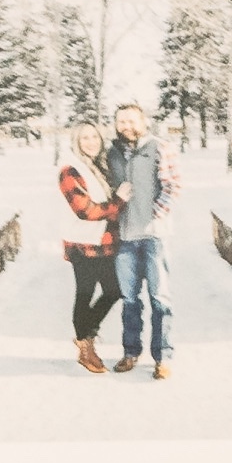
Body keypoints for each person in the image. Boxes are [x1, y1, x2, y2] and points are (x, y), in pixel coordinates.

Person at [104, 101, 180, 381]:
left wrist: (154, 216)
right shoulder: (111, 153)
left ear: (143, 121)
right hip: (124, 238)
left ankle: (163, 357)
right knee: (130, 300)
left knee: (160, 299)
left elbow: (173, 186)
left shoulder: (160, 147)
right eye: (121, 121)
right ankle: (131, 352)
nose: (127, 126)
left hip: (154, 237)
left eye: (132, 120)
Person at [54, 116, 122, 377]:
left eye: (94, 136)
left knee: (114, 290)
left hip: (103, 242)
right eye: (85, 137)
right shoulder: (70, 170)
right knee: (85, 292)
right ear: (76, 141)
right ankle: (85, 347)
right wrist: (119, 202)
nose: (91, 142)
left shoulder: (97, 166)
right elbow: (85, 211)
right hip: (83, 243)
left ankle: (84, 335)